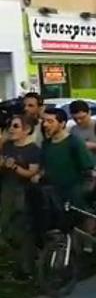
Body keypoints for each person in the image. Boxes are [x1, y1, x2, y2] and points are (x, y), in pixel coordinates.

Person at [0, 115, 41, 279]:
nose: (11, 129)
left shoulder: (33, 150)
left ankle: (26, 268)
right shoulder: (8, 146)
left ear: (27, 130)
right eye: (11, 126)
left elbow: (32, 172)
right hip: (7, 190)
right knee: (7, 228)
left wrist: (15, 167)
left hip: (24, 192)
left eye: (16, 126)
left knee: (22, 229)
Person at [34, 108, 96, 209]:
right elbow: (44, 168)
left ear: (62, 123)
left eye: (50, 121)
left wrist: (79, 193)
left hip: (72, 198)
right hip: (52, 197)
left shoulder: (74, 143)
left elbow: (88, 171)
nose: (45, 125)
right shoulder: (46, 144)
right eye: (44, 121)